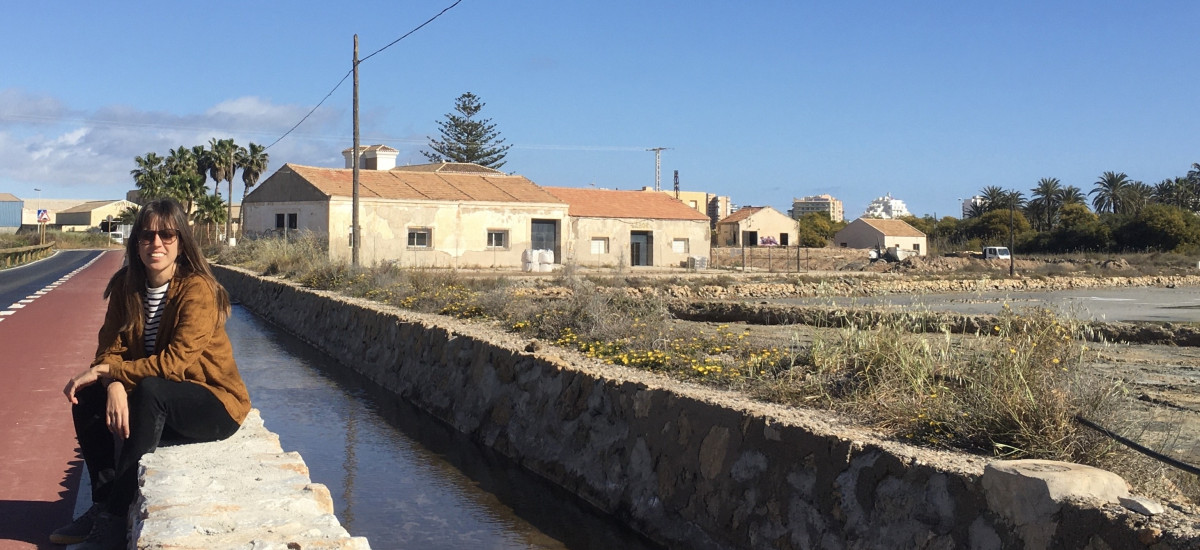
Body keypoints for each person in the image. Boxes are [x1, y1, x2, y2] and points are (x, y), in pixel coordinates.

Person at [53, 198, 251, 549]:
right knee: (88, 395)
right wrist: (112, 383)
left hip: (213, 402)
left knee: (151, 391)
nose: (156, 243)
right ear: (136, 242)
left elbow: (174, 363)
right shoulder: (126, 286)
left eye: (167, 235)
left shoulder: (198, 290)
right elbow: (108, 351)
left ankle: (115, 521)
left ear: (181, 241)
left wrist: (113, 371)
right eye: (147, 236)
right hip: (155, 392)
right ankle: (102, 503)